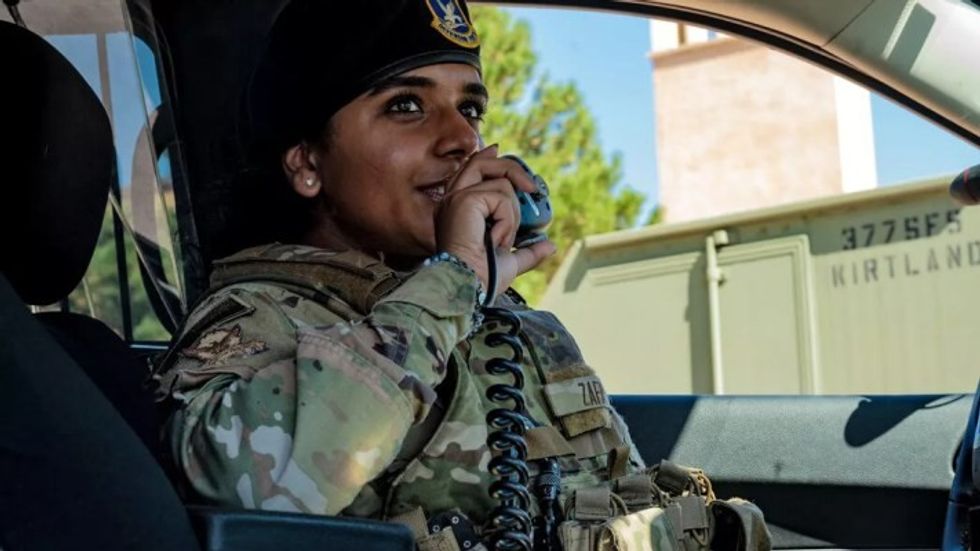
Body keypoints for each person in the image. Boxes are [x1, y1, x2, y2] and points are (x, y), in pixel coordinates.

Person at [155, 1, 768, 549]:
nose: (462, 139)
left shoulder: (515, 322)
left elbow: (620, 493)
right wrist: (457, 277)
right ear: (308, 163)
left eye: (470, 107)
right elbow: (249, 491)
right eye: (406, 106)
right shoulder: (258, 314)